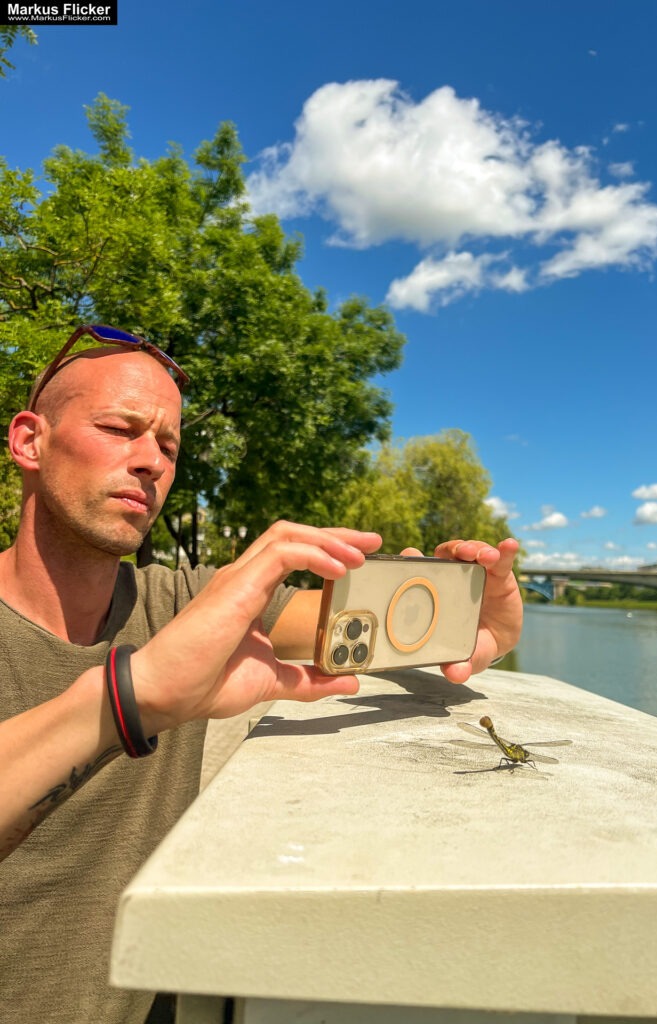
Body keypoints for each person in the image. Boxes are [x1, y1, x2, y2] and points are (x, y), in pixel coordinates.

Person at [0, 325, 523, 1024]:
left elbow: (357, 629)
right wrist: (132, 698)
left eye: (168, 446)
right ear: (30, 441)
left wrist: (473, 631)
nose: (150, 462)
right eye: (121, 428)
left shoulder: (188, 604)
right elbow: (142, 690)